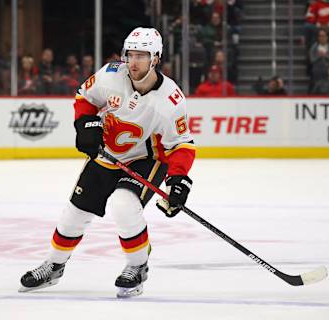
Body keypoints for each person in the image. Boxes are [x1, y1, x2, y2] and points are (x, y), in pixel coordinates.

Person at [19, 27, 196, 298]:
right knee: (74, 213)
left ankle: (137, 266)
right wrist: (85, 124)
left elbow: (181, 145)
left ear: (156, 59)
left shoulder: (170, 100)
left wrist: (178, 179)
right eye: (130, 54)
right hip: (107, 155)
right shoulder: (111, 74)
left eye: (141, 55)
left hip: (145, 159)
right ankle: (54, 265)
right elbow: (85, 98)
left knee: (124, 205)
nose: (133, 62)